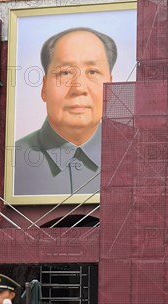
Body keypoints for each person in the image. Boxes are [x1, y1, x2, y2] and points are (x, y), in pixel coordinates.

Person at [13, 27, 117, 195]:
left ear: (111, 87)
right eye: (65, 73)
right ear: (44, 88)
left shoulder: (138, 159)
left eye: (92, 71)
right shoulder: (12, 161)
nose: (78, 88)